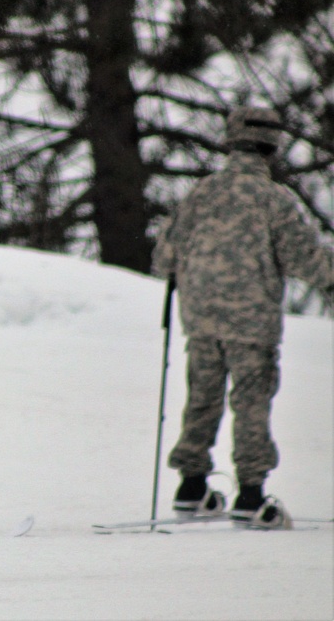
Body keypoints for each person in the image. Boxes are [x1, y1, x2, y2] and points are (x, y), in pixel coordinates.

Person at [152, 105, 334, 529]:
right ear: (274, 146)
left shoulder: (201, 193)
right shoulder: (274, 200)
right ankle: (251, 495)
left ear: (231, 140)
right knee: (250, 402)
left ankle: (192, 487)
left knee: (203, 396)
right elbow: (305, 259)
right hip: (251, 320)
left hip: (199, 315)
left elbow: (164, 256)